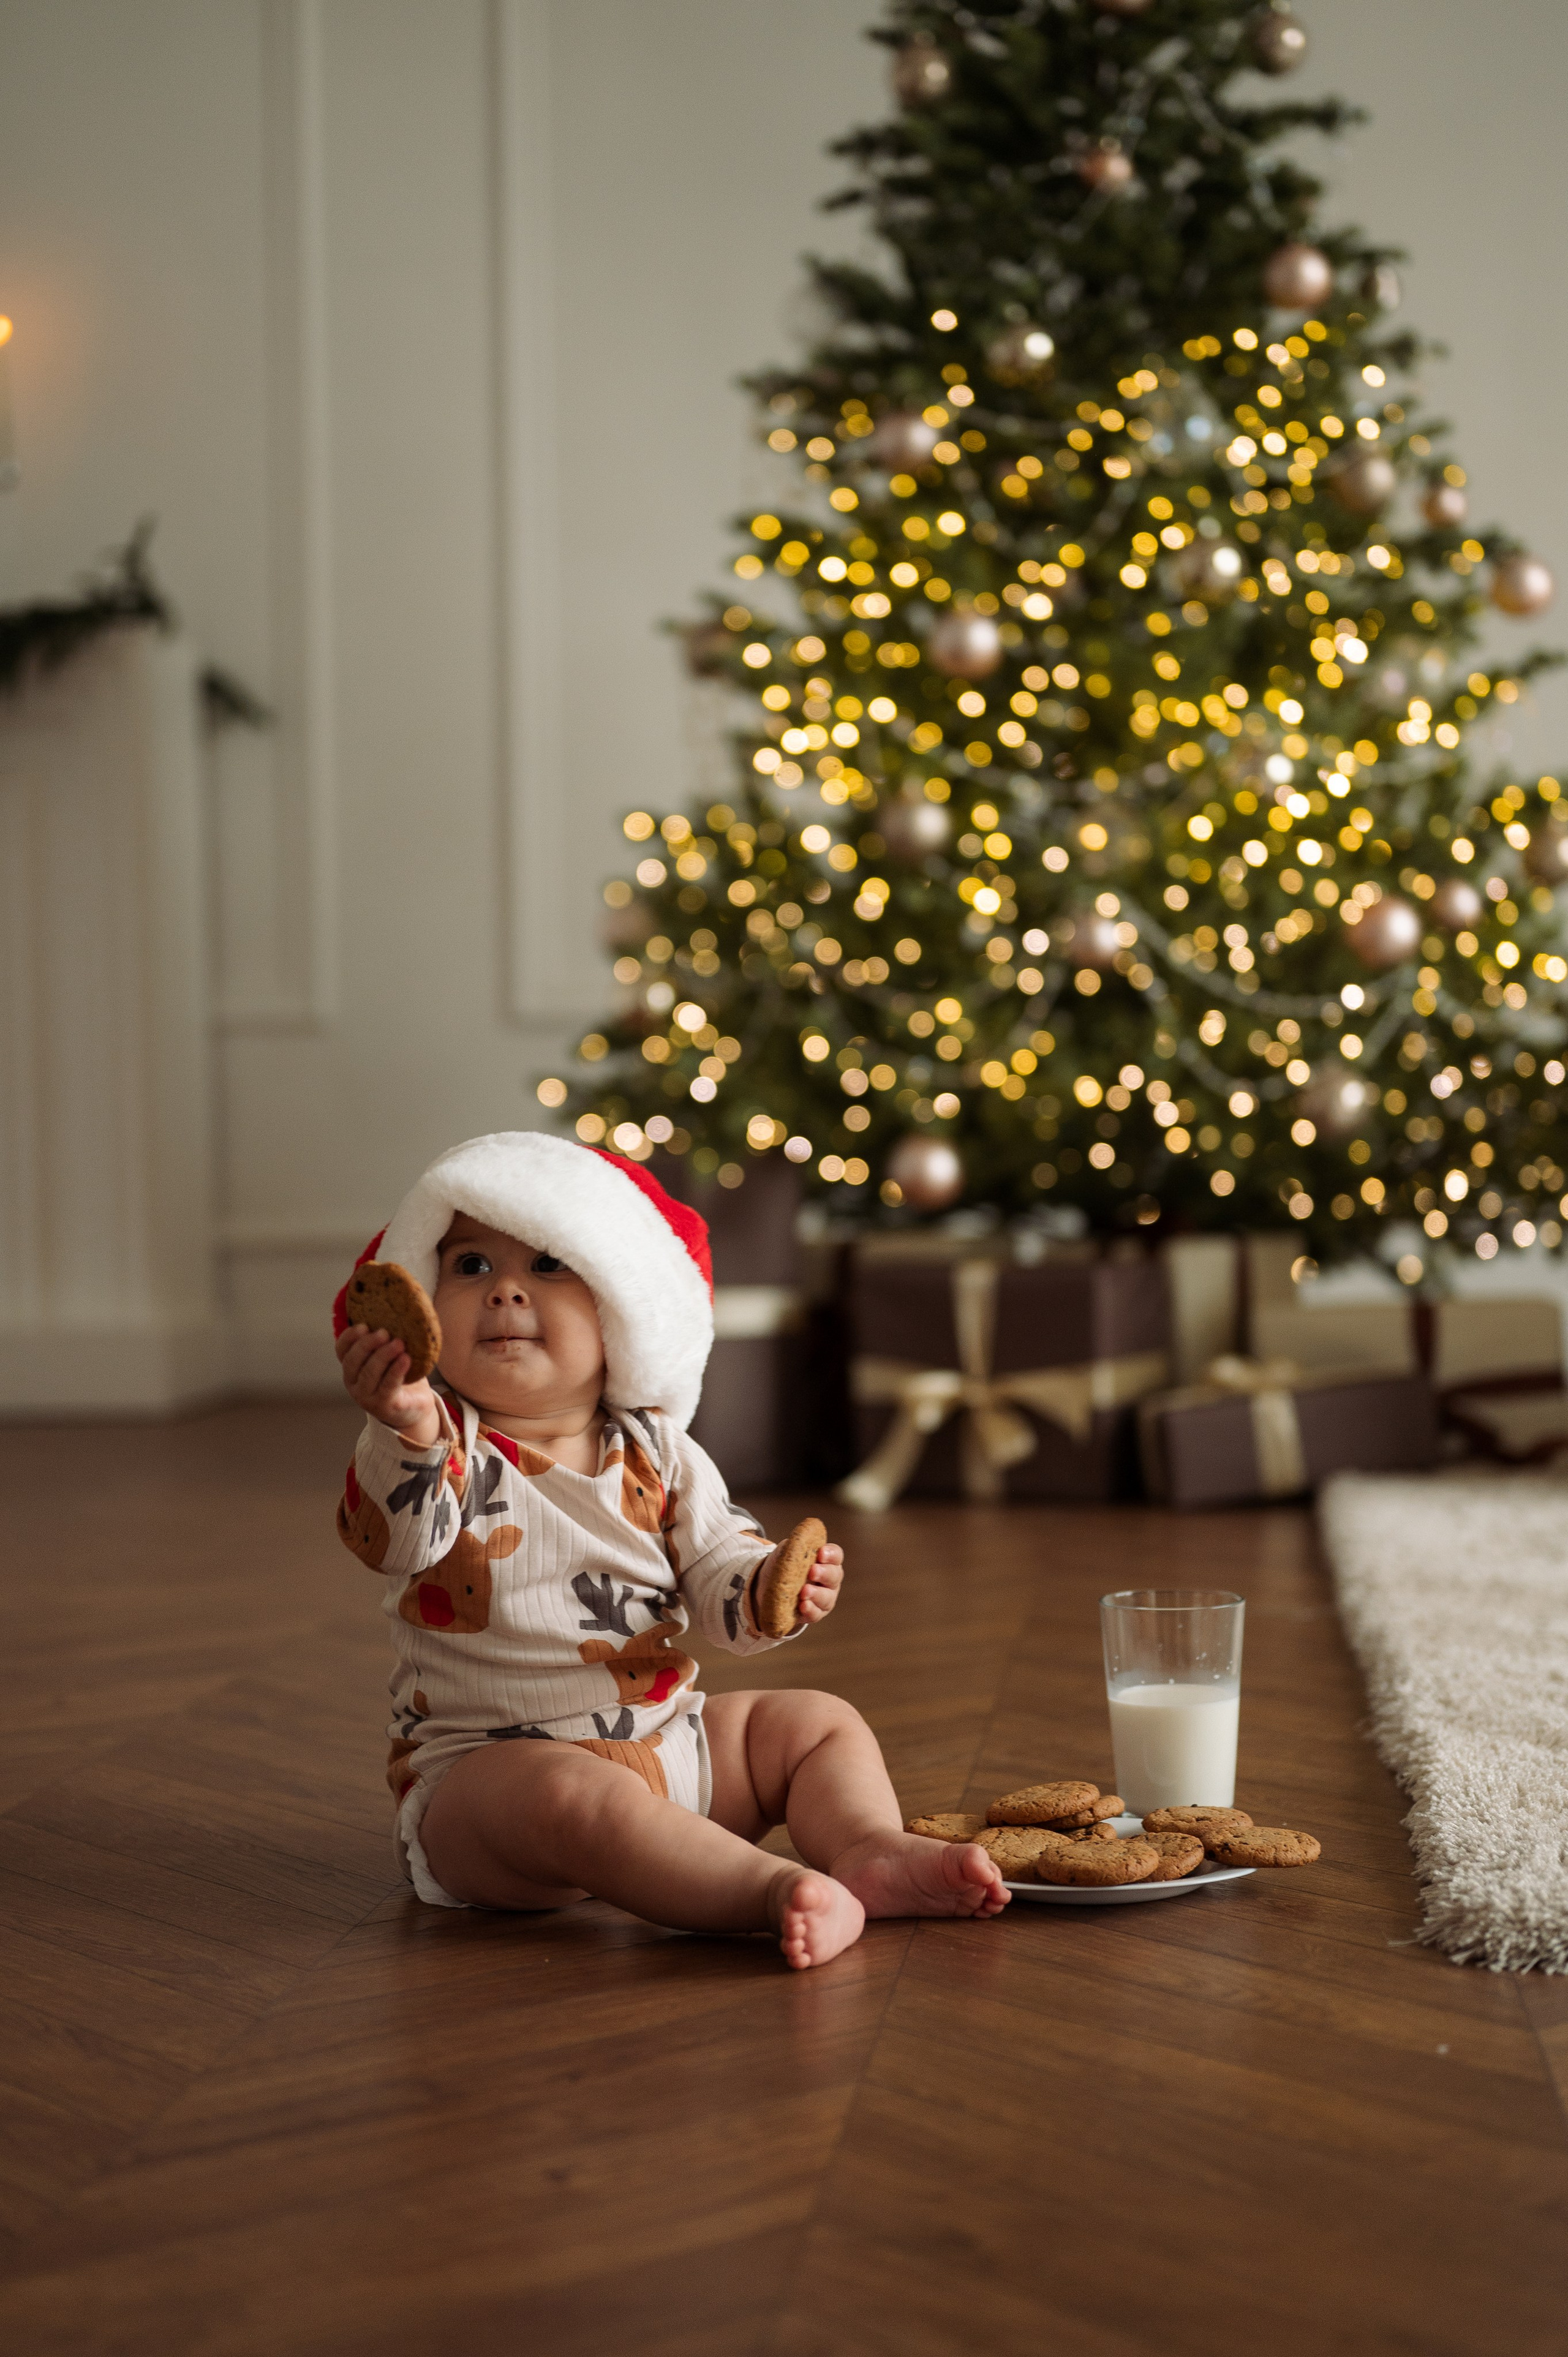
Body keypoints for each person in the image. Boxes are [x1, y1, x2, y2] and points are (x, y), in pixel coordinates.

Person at [334, 1132, 1008, 1968]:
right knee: (571, 1794)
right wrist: (403, 1424)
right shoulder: (439, 1444)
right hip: (490, 1786)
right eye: (470, 1267)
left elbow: (720, 1570)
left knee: (815, 1723)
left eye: (547, 1265)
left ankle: (867, 1847)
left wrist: (766, 1589)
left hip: (672, 1747)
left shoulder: (659, 1452)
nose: (505, 1291)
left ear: (620, 1305)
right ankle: (759, 1891)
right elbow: (398, 1541)